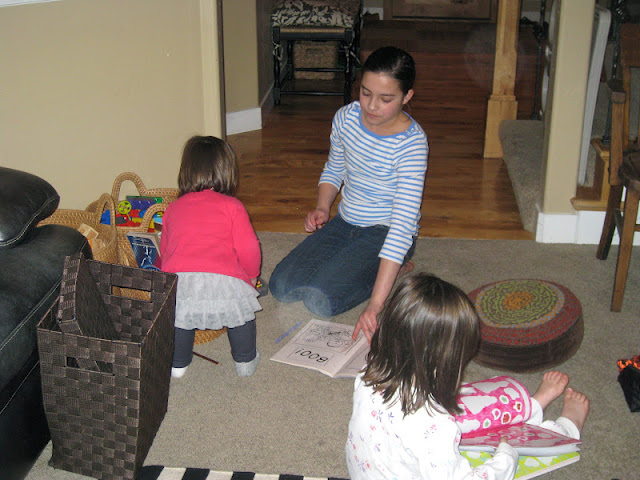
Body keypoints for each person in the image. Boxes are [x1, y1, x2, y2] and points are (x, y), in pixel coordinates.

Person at [346, 273, 590, 480]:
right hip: (431, 450)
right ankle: (566, 428)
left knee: (471, 414)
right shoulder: (435, 425)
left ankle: (531, 407)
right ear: (448, 359)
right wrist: (507, 457)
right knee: (508, 446)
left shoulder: (367, 376)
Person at [269, 46, 428, 342]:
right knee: (281, 286)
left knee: (321, 301)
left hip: (386, 231)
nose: (371, 106)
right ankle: (371, 267)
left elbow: (402, 225)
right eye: (366, 93)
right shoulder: (345, 118)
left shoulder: (411, 145)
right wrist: (323, 206)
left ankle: (392, 270)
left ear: (407, 97)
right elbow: (335, 167)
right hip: (346, 221)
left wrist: (376, 305)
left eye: (386, 99)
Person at [160, 135, 263, 378]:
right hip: (224, 276)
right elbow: (249, 247)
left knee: (180, 318)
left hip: (180, 279)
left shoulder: (173, 208)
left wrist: (167, 275)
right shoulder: (233, 206)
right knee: (240, 313)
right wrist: (251, 276)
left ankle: (178, 364)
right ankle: (245, 361)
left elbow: (166, 249)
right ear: (227, 172)